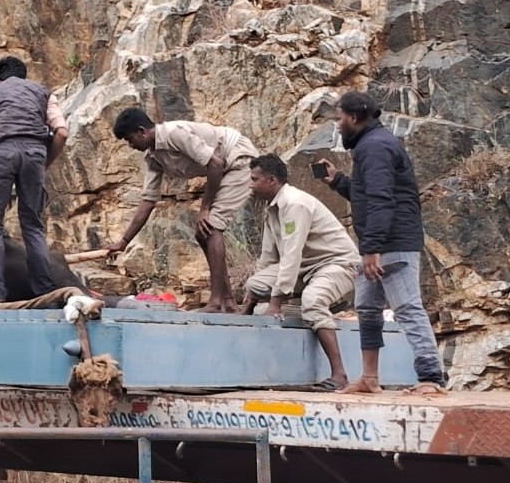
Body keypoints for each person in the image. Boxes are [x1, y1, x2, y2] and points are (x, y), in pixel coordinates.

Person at [314, 92, 447, 395]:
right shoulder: (372, 145)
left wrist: (372, 249)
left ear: (355, 117)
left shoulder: (374, 147)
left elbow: (381, 200)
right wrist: (338, 182)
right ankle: (369, 378)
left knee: (407, 307)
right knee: (368, 309)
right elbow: (369, 196)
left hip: (392, 243)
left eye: (339, 118)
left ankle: (431, 378)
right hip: (380, 243)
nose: (337, 125)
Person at [107, 109, 259, 312]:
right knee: (202, 233)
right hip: (224, 167)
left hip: (239, 160)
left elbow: (215, 163)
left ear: (142, 131)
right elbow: (148, 201)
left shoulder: (174, 133)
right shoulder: (153, 157)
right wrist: (123, 242)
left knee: (211, 227)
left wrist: (205, 208)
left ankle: (215, 302)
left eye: (130, 139)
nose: (131, 145)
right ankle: (228, 301)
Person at [241, 154, 360, 390]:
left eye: (255, 179)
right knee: (255, 284)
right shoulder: (271, 209)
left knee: (312, 302)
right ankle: (293, 304)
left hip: (336, 263)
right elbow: (269, 258)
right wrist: (250, 304)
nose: (251, 184)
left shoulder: (295, 204)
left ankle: (338, 375)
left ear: (272, 180)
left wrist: (275, 303)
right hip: (305, 268)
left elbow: (292, 255)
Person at [0, 56, 69, 302]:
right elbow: (61, 132)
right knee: (32, 225)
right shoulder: (43, 93)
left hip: (2, 153)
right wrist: (44, 163)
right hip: (35, 153)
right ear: (23, 75)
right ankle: (45, 291)